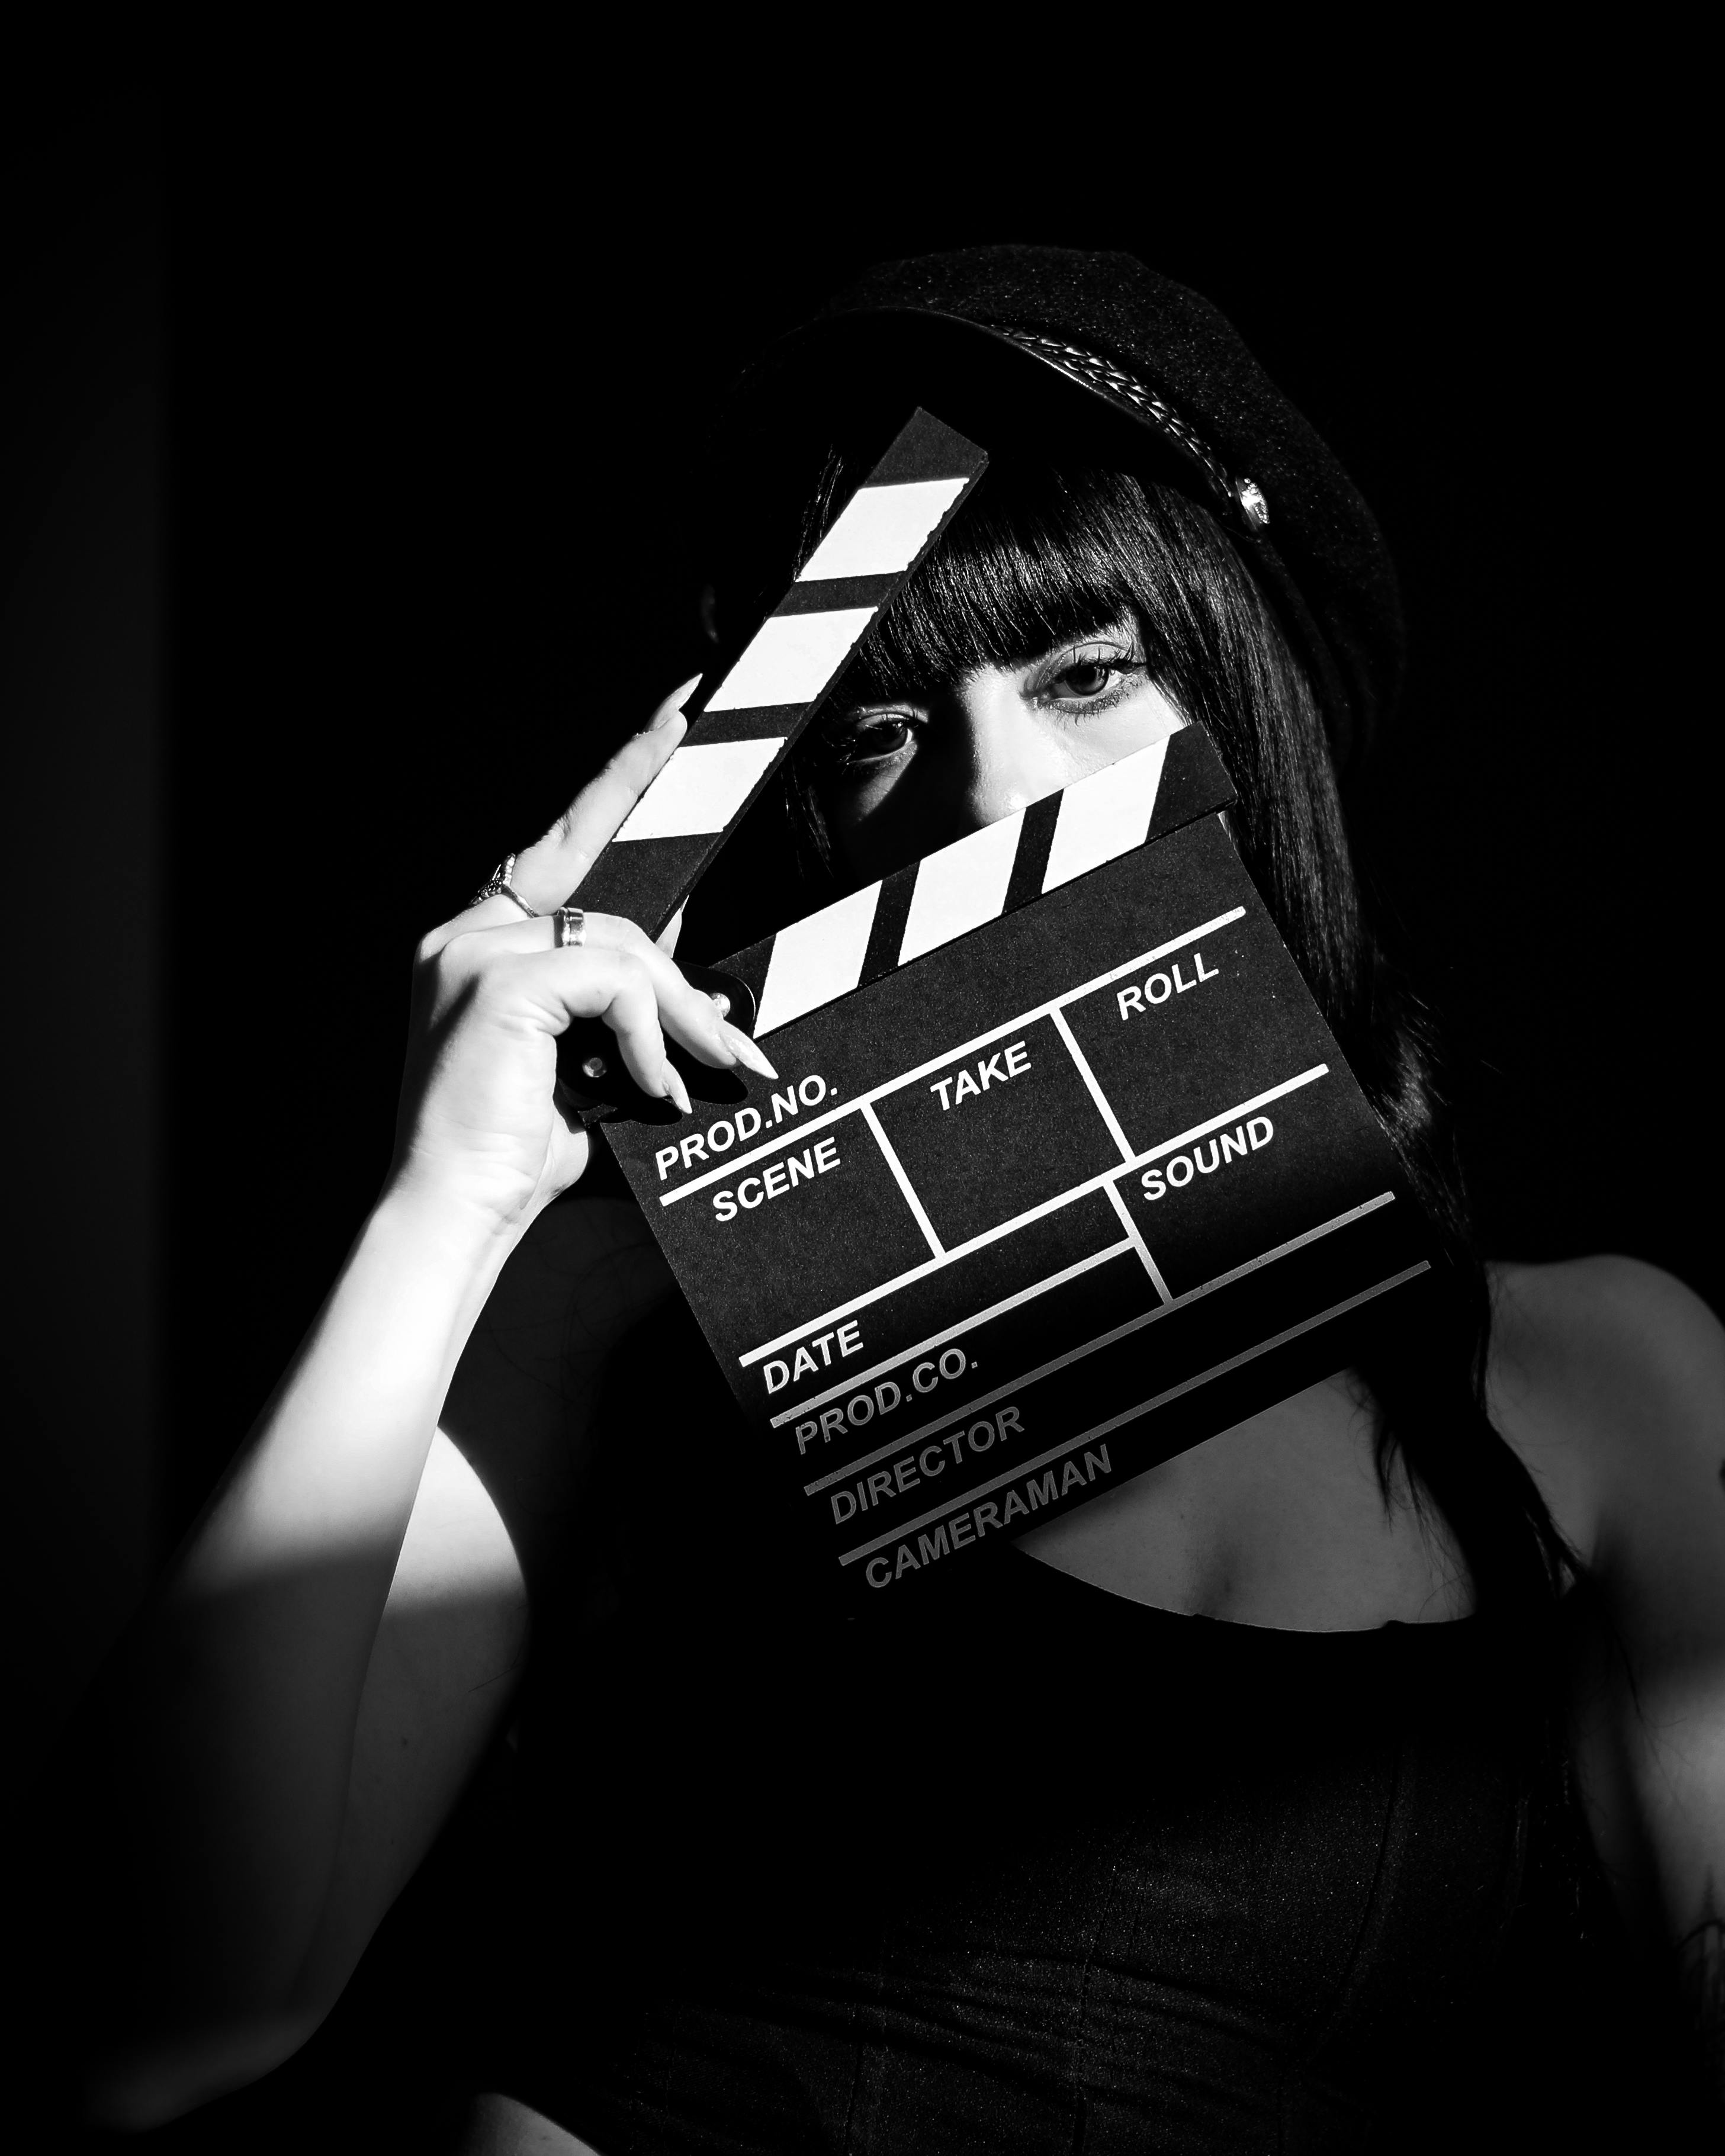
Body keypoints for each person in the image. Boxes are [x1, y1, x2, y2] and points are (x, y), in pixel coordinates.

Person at [43, 249, 1725, 2149]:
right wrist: (450, 1205)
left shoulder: (1596, 1388)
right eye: (878, 729)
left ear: (1270, 733)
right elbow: (133, 2015)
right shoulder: (624, 1307)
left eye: (1091, 677)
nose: (990, 794)